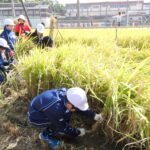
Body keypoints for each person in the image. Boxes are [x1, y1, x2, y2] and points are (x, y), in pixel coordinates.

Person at [28, 87, 103, 149]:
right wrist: (77, 132)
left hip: (43, 108)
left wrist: (94, 115)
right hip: (35, 117)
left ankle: (60, 122)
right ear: (69, 104)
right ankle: (45, 136)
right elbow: (62, 127)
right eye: (76, 108)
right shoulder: (56, 109)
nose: (77, 109)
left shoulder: (69, 95)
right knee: (59, 123)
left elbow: (78, 107)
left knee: (66, 114)